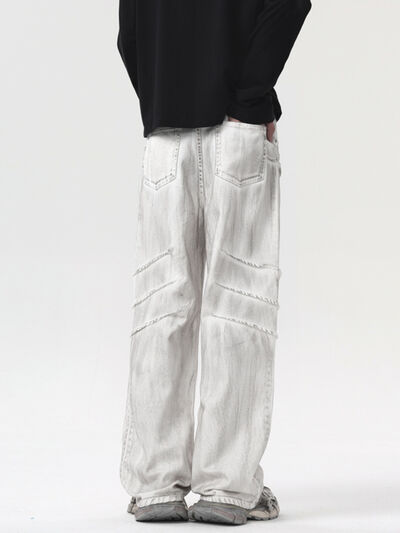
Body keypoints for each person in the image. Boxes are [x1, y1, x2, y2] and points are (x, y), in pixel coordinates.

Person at [117, 0, 311, 525]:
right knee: (238, 304)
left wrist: (164, 99)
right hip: (238, 132)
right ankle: (227, 487)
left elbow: (129, 35)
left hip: (164, 135)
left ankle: (155, 485)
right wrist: (249, 98)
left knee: (162, 305)